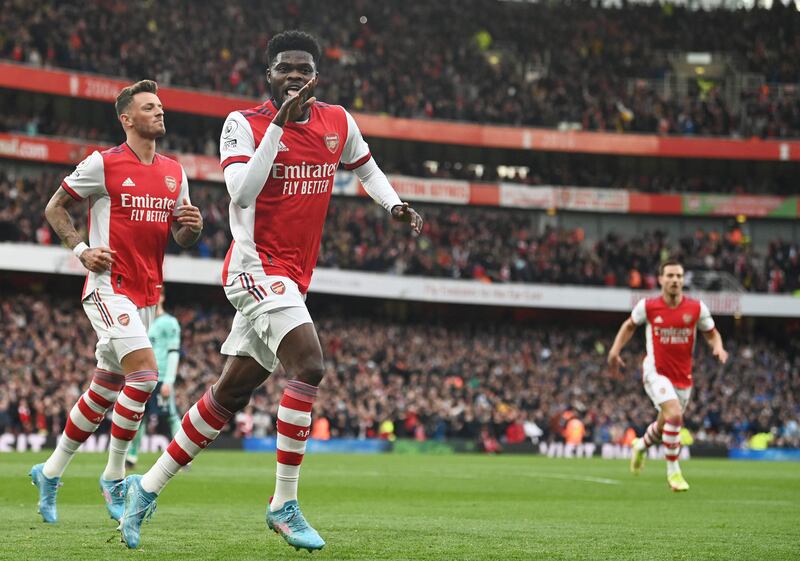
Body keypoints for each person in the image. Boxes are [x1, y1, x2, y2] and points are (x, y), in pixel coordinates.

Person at [119, 31, 423, 550]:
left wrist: (393, 204)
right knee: (309, 365)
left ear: (316, 77)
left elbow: (366, 168)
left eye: (303, 69)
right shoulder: (243, 125)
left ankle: (144, 489)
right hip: (254, 268)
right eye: (284, 68)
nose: (294, 77)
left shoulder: (338, 122)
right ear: (269, 75)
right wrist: (278, 127)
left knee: (229, 394)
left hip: (293, 276)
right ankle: (284, 503)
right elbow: (241, 191)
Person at [29, 80, 202, 524]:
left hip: (147, 293)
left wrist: (192, 228)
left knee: (105, 389)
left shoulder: (174, 172)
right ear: (127, 118)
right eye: (149, 107)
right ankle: (113, 475)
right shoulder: (103, 163)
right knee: (145, 375)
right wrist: (81, 250)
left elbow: (180, 236)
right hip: (109, 286)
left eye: (161, 106)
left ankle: (49, 472)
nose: (160, 112)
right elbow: (55, 208)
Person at [607, 259, 728, 492]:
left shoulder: (696, 308)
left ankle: (641, 446)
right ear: (661, 279)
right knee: (674, 414)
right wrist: (614, 351)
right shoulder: (649, 306)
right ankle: (674, 472)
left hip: (683, 377)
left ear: (683, 280)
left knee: (666, 424)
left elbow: (712, 333)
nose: (675, 280)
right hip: (656, 371)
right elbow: (629, 326)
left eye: (679, 276)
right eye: (670, 276)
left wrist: (718, 347)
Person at [125, 288, 182, 470]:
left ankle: (184, 457)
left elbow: (174, 352)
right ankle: (132, 456)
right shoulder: (142, 321)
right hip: (143, 376)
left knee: (172, 416)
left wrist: (169, 381)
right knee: (138, 418)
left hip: (162, 377)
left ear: (163, 297)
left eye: (158, 293)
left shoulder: (170, 322)